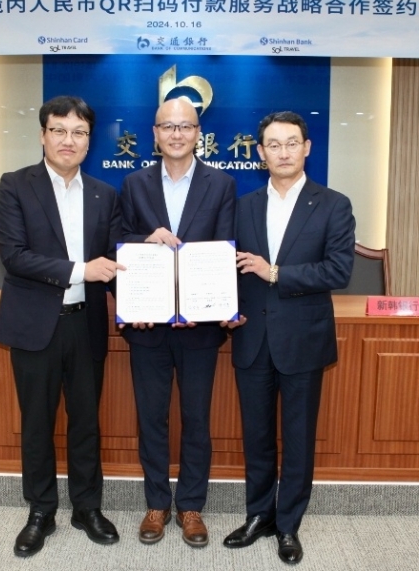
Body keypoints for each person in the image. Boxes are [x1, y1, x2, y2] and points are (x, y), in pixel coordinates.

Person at [0, 95, 124, 557]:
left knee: (86, 422)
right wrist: (79, 270)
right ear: (43, 134)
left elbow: (115, 264)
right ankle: (40, 511)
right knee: (37, 423)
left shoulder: (104, 195)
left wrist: (152, 297)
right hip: (34, 327)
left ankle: (87, 507)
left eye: (80, 132)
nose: (69, 140)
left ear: (90, 140)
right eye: (60, 130)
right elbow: (15, 257)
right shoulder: (15, 186)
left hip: (85, 325)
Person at [223, 111, 355, 565]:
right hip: (252, 338)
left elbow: (339, 270)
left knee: (297, 438)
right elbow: (228, 270)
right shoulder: (243, 205)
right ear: (260, 153)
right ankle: (259, 514)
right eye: (273, 145)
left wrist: (275, 272)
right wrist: (223, 308)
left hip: (303, 338)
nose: (282, 152)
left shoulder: (333, 204)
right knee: (257, 435)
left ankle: (289, 525)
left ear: (307, 148)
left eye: (291, 143)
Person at [119, 98, 236, 547]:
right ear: (154, 133)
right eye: (167, 126)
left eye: (185, 126)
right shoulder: (133, 183)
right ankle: (156, 504)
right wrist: (144, 239)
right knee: (151, 418)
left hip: (199, 329)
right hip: (148, 325)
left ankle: (191, 506)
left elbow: (225, 250)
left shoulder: (221, 183)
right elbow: (120, 240)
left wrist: (208, 307)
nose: (176, 134)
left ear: (197, 133)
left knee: (196, 419)